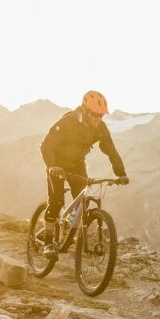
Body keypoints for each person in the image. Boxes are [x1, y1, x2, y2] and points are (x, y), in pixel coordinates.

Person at [39, 90, 128, 256]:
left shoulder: (100, 128)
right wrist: (52, 165)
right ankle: (48, 242)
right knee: (57, 201)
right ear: (85, 111)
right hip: (56, 164)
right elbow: (46, 145)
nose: (98, 119)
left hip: (77, 165)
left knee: (83, 201)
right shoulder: (68, 122)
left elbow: (111, 150)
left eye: (101, 116)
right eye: (95, 115)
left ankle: (68, 232)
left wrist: (121, 173)